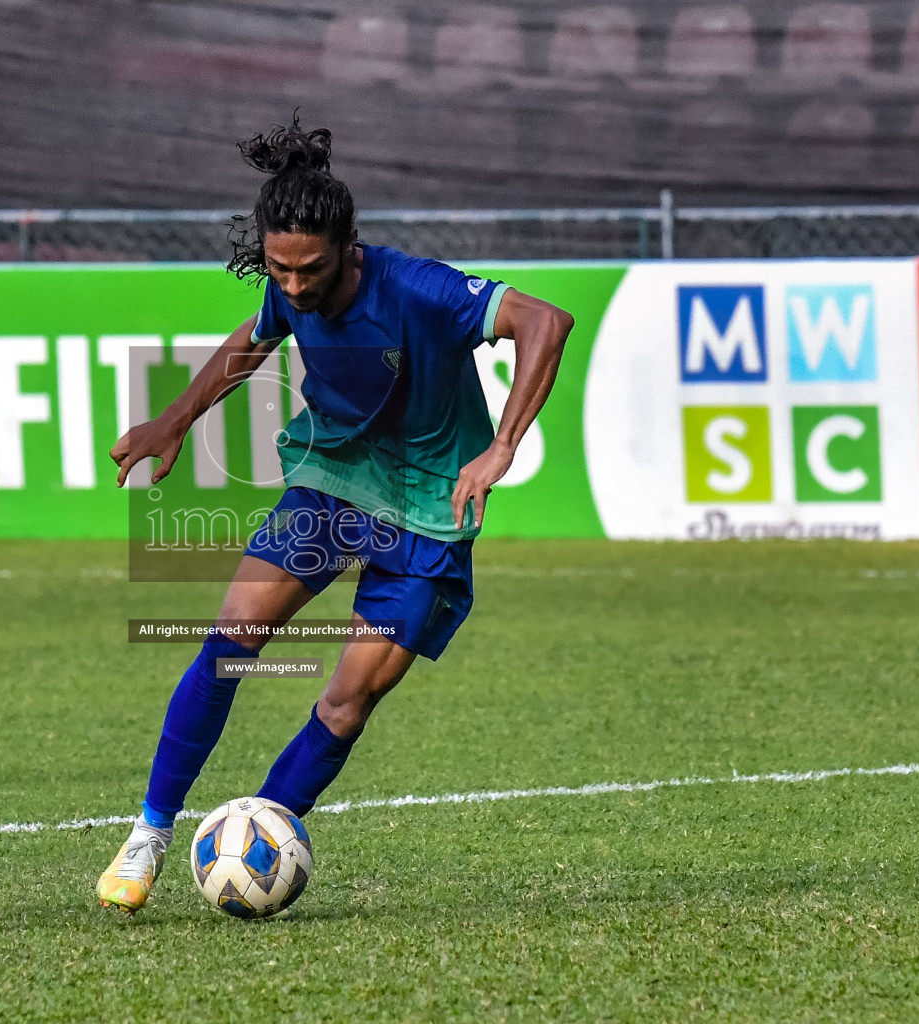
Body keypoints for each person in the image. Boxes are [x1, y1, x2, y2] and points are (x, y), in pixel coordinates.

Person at [97, 118, 574, 913]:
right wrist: (174, 419)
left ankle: (263, 827)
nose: (291, 285)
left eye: (307, 270)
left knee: (347, 699)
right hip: (331, 484)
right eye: (277, 268)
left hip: (428, 514)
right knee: (228, 646)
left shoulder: (419, 289)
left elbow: (545, 322)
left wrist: (502, 449)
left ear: (349, 246)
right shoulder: (290, 287)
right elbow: (252, 340)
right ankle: (149, 832)